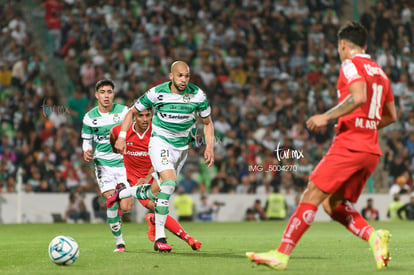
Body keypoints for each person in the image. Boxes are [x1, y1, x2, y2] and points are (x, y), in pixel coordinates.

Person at [246, 21, 397, 271]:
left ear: (343, 45)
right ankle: (373, 235)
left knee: (312, 194)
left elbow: (358, 97)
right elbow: (391, 116)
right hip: (371, 151)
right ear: (365, 45)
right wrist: (366, 125)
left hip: (350, 145)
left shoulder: (350, 64)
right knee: (332, 204)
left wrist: (327, 117)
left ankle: (281, 254)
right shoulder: (381, 73)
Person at [114, 60, 214, 252]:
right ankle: (160, 238)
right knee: (169, 183)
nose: (184, 80)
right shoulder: (156, 93)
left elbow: (208, 122)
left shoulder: (198, 95)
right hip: (160, 141)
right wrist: (122, 136)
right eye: (180, 76)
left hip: (181, 149)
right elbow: (131, 112)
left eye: (186, 76)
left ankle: (122, 193)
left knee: (154, 192)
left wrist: (210, 146)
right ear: (171, 76)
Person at [110, 109, 202, 250]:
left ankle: (180, 236)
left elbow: (159, 159)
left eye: (148, 115)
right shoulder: (120, 130)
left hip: (152, 175)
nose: (145, 119)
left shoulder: (157, 131)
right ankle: (171, 232)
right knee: (128, 207)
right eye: (141, 115)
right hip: (131, 177)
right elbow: (113, 136)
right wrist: (117, 149)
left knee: (159, 207)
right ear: (134, 117)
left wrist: (147, 178)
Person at [81, 79, 130, 252]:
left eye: (109, 92)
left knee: (126, 206)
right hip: (103, 165)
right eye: (103, 92)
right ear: (97, 95)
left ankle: (118, 198)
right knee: (111, 201)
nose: (106, 95)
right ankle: (119, 242)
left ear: (113, 94)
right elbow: (86, 140)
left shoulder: (124, 112)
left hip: (124, 164)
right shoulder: (89, 117)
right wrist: (86, 150)